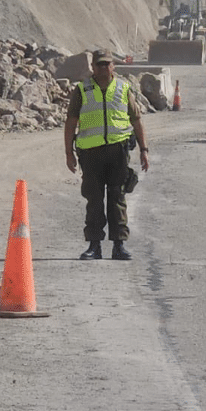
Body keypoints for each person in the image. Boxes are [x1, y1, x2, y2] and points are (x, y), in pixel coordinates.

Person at [64, 50, 150, 260]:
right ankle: (94, 245)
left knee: (117, 198)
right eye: (99, 64)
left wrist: (144, 149)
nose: (103, 68)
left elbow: (136, 120)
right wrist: (68, 153)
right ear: (92, 67)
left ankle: (119, 245)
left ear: (113, 66)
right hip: (91, 154)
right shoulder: (82, 90)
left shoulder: (123, 88)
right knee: (94, 199)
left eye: (106, 64)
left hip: (118, 152)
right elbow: (71, 122)